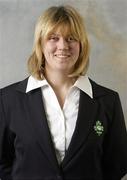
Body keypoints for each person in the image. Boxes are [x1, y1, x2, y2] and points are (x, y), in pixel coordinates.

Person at [0, 5, 127, 180]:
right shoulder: (8, 100)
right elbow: (2, 163)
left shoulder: (108, 101)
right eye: (53, 38)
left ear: (81, 45)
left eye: (71, 38)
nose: (63, 46)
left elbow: (117, 165)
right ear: (40, 44)